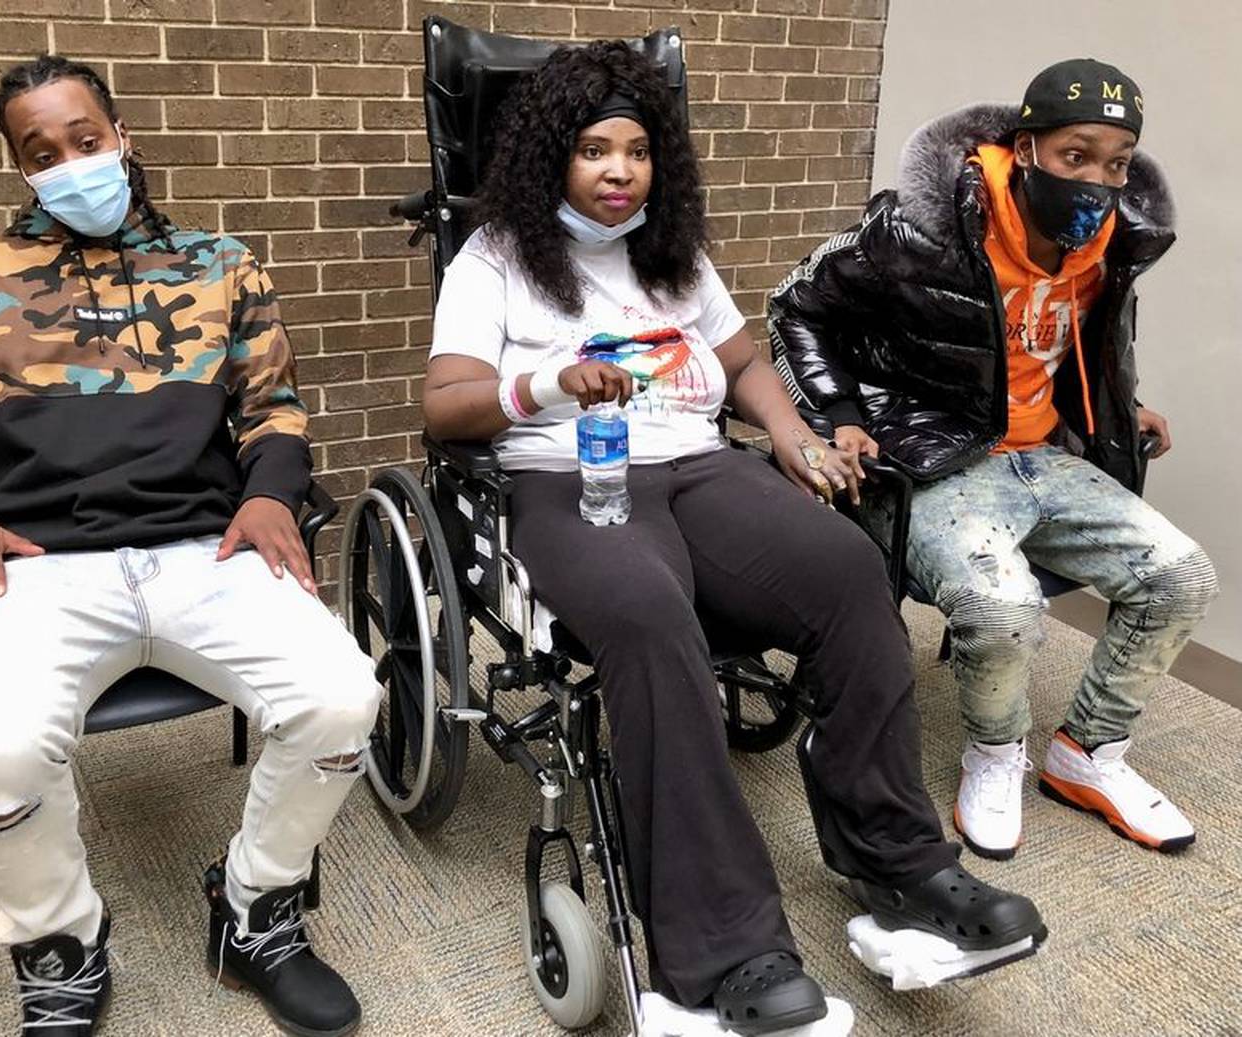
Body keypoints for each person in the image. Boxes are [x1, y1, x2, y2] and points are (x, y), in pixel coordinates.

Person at [422, 41, 1046, 1035]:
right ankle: (722, 947)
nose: (620, 170)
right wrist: (548, 383)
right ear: (553, 159)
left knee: (848, 572)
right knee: (648, 616)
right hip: (573, 473)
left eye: (637, 149)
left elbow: (744, 361)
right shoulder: (495, 258)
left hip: (702, 465)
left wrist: (792, 432)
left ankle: (900, 861)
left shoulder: (676, 257)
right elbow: (446, 404)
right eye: (593, 149)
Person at [0, 55, 380, 1037]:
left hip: (202, 551)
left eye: (84, 139)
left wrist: (270, 493)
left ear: (120, 134)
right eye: (40, 151)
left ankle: (257, 909)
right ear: (20, 166)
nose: (69, 164)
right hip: (36, 567)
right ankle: (62, 941)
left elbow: (276, 413)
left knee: (344, 699)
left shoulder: (222, 266)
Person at [770, 59, 1218, 862]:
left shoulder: (1111, 240)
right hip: (934, 458)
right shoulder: (921, 224)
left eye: (1116, 164)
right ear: (1027, 144)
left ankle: (1088, 754)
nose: (1095, 179)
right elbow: (797, 303)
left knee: (1182, 576)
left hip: (1045, 452)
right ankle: (995, 753)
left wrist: (1119, 406)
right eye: (1075, 155)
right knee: (1003, 606)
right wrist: (838, 416)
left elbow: (1079, 340)